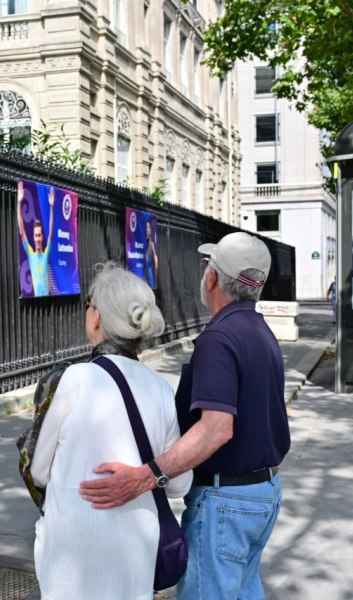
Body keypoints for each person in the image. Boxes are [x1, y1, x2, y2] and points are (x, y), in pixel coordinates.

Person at [79, 232, 291, 600]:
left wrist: (147, 476)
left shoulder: (220, 338)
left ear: (212, 278)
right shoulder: (261, 331)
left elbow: (217, 428)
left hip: (227, 502)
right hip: (263, 493)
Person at [24, 263, 193, 600]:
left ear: (97, 316)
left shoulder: (72, 379)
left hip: (74, 552)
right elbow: (179, 484)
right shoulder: (160, 389)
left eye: (88, 304)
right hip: (136, 551)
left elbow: (39, 471)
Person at [17, 181, 55, 297]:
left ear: (42, 237)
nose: (38, 238)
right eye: (36, 235)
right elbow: (22, 233)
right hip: (36, 302)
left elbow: (51, 234)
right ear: (33, 237)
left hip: (48, 302)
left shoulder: (46, 254)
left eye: (39, 235)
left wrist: (51, 207)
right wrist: (19, 202)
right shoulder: (31, 254)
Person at [144, 219, 159, 289]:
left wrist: (156, 279)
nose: (146, 230)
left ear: (151, 230)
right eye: (145, 227)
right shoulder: (145, 244)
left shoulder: (152, 244)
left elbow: (156, 262)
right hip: (146, 278)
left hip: (151, 279)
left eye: (147, 227)